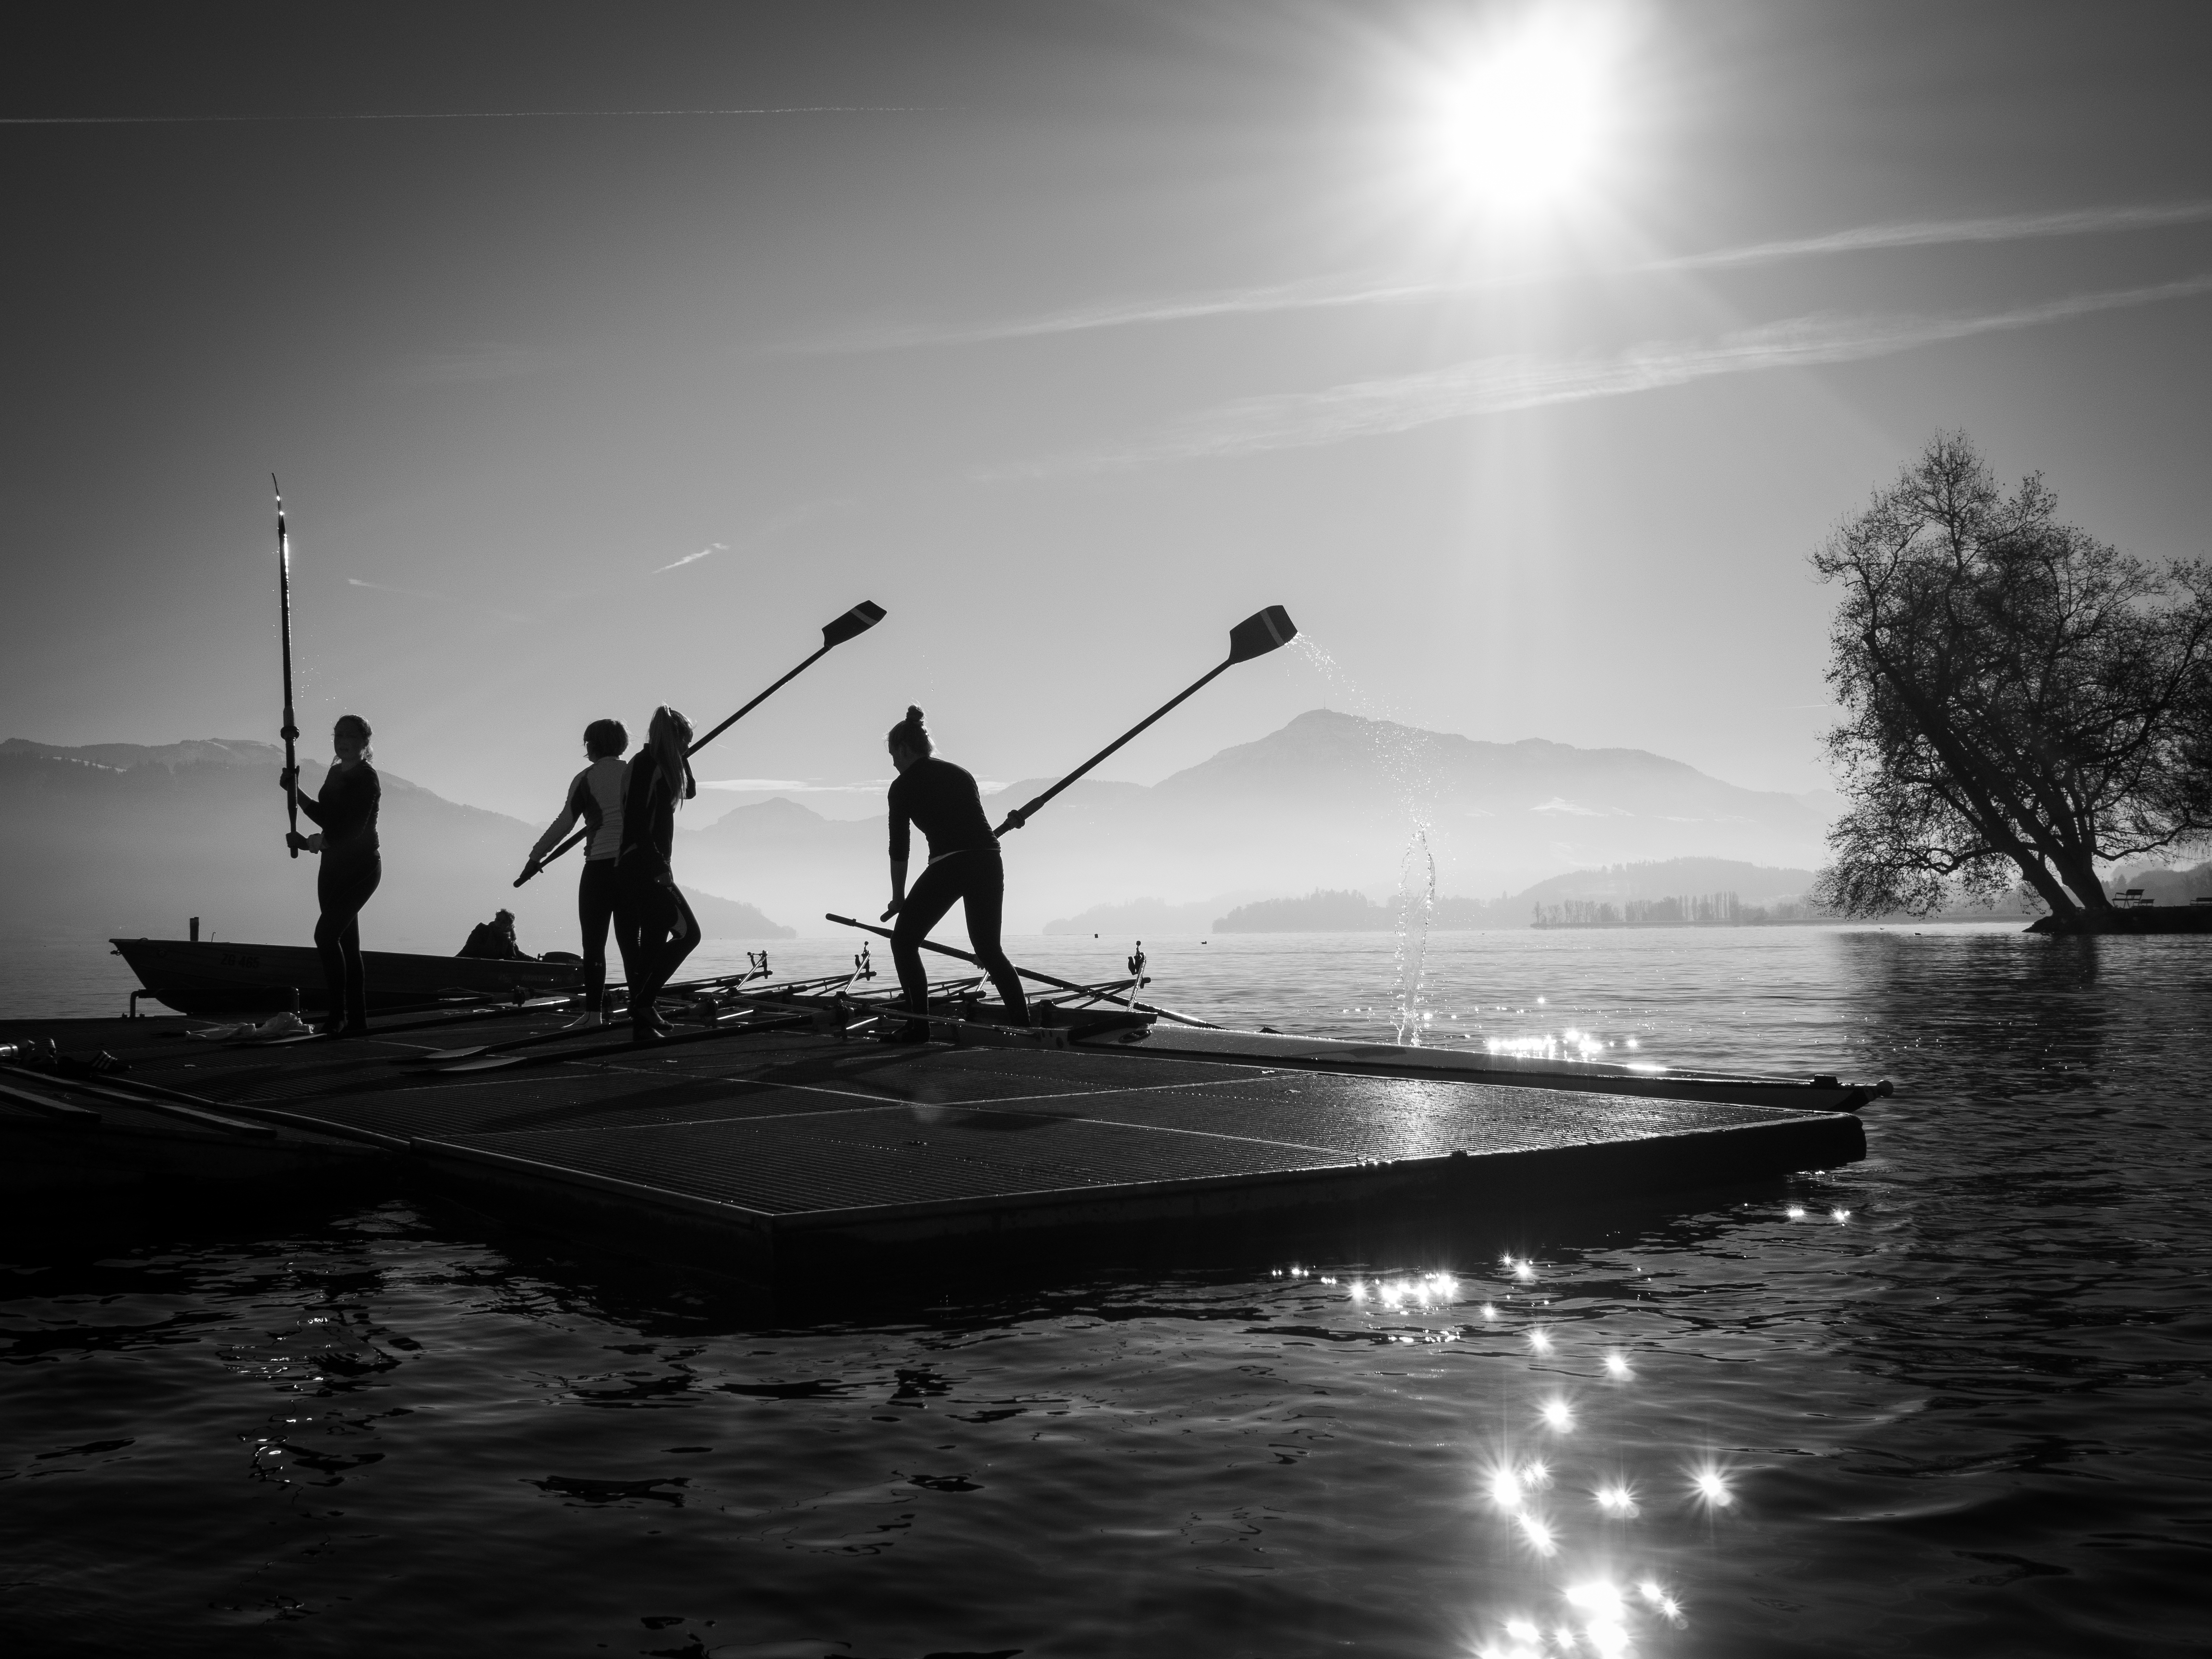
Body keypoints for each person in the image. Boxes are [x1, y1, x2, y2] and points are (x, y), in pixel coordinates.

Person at [880, 705, 1029, 1042]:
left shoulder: (901, 787)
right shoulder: (960, 773)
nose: (893, 763)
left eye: (892, 755)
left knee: (904, 942)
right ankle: (1026, 1028)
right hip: (990, 859)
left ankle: (919, 1027)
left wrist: (899, 897)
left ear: (904, 749)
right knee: (990, 950)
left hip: (952, 862)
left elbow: (899, 847)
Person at [520, 718, 628, 1029]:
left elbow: (564, 823)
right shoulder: (635, 773)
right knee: (630, 943)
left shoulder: (586, 778)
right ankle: (641, 1011)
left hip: (599, 870)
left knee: (593, 945)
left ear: (592, 746)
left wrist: (535, 857)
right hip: (632, 870)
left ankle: (593, 1016)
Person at [280, 713, 380, 1037]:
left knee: (326, 936)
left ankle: (337, 1016)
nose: (343, 741)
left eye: (351, 736)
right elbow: (327, 816)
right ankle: (358, 1020)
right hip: (332, 867)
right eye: (338, 735)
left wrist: (308, 842)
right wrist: (297, 793)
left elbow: (352, 830)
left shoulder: (367, 778)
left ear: (365, 742)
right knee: (347, 945)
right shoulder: (335, 772)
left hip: (361, 868)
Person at [613, 705, 699, 1043]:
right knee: (689, 935)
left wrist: (683, 753)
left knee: (651, 944)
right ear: (673, 739)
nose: (687, 749)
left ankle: (643, 1028)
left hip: (645, 865)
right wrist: (659, 867)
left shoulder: (660, 765)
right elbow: (635, 821)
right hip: (642, 866)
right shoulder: (647, 765)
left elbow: (689, 790)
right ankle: (643, 1002)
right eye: (685, 742)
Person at [458, 908, 523, 961]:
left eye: (504, 922)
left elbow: (516, 955)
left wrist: (533, 960)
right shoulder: (483, 930)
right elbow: (472, 947)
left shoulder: (508, 940)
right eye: (498, 920)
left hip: (485, 969)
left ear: (508, 926)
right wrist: (499, 954)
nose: (500, 924)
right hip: (463, 962)